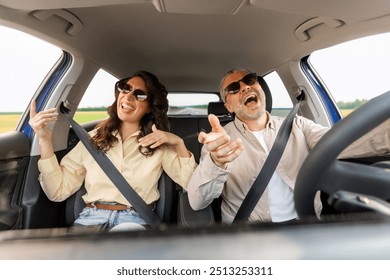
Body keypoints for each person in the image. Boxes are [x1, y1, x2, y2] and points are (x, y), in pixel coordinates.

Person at [187, 67, 390, 224]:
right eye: (234, 88)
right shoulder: (218, 142)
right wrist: (216, 162)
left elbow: (342, 142)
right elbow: (197, 201)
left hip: (307, 226)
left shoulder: (298, 125)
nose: (245, 87)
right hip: (250, 236)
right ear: (228, 106)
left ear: (259, 88)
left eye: (249, 81)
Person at [30, 70, 197, 230]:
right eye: (126, 89)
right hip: (90, 218)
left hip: (134, 219)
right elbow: (57, 191)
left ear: (149, 107)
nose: (129, 96)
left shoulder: (158, 143)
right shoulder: (92, 139)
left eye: (140, 94)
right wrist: (44, 139)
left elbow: (193, 187)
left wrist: (178, 143)